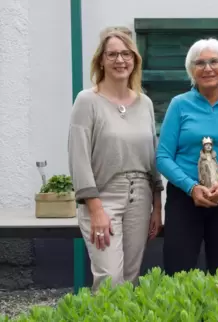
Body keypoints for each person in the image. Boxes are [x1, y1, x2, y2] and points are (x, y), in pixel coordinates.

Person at [68, 30, 163, 292]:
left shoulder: (144, 103)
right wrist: (95, 209)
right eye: (112, 54)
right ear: (101, 60)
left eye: (126, 54)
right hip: (103, 197)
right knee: (109, 279)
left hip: (141, 197)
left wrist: (157, 205)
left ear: (134, 59)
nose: (120, 60)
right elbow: (78, 157)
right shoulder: (87, 101)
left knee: (131, 278)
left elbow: (151, 155)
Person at [156, 38, 218, 276]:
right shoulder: (179, 105)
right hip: (184, 198)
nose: (207, 68)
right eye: (199, 63)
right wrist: (191, 188)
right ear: (192, 70)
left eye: (214, 62)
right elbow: (163, 156)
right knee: (178, 272)